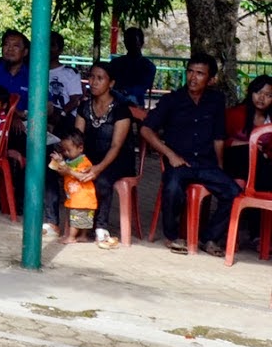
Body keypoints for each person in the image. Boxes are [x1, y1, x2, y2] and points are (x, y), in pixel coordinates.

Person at [140, 54, 240, 256]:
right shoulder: (172, 100)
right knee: (172, 188)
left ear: (211, 79)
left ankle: (209, 238)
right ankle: (173, 236)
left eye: (200, 73)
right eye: (190, 71)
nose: (193, 77)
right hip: (179, 162)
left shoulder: (216, 101)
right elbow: (146, 130)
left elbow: (219, 137)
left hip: (206, 163)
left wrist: (219, 166)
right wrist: (169, 154)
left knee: (233, 192)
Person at [73, 62, 136, 250]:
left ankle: (101, 226)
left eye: (100, 78)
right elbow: (77, 140)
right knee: (71, 177)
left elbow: (116, 145)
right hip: (91, 157)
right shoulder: (84, 107)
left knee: (101, 180)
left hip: (117, 160)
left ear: (111, 83)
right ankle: (76, 225)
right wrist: (75, 164)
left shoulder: (121, 109)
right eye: (91, 77)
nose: (93, 82)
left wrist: (97, 168)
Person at [49, 131, 99, 244]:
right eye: (64, 150)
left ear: (80, 148)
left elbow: (83, 176)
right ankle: (83, 236)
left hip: (82, 197)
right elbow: (64, 171)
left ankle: (71, 237)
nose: (66, 153)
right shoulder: (70, 161)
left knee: (76, 218)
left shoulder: (84, 162)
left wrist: (69, 170)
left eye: (69, 150)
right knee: (80, 218)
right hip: (75, 197)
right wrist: (60, 161)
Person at [225, 74, 272, 182]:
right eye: (258, 92)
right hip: (234, 164)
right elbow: (220, 141)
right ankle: (239, 194)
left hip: (262, 167)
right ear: (251, 93)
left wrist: (265, 153)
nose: (261, 98)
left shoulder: (270, 120)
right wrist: (250, 145)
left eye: (268, 95)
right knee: (243, 153)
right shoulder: (234, 114)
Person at [108, 26, 156, 108]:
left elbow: (143, 87)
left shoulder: (148, 66)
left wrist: (125, 91)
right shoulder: (115, 63)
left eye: (133, 41)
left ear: (141, 43)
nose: (130, 44)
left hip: (134, 104)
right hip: (114, 101)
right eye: (127, 40)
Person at [46, 32, 84, 123]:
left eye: (52, 45)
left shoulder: (70, 73)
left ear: (60, 50)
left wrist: (62, 114)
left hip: (64, 118)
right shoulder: (34, 72)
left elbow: (75, 100)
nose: (48, 48)